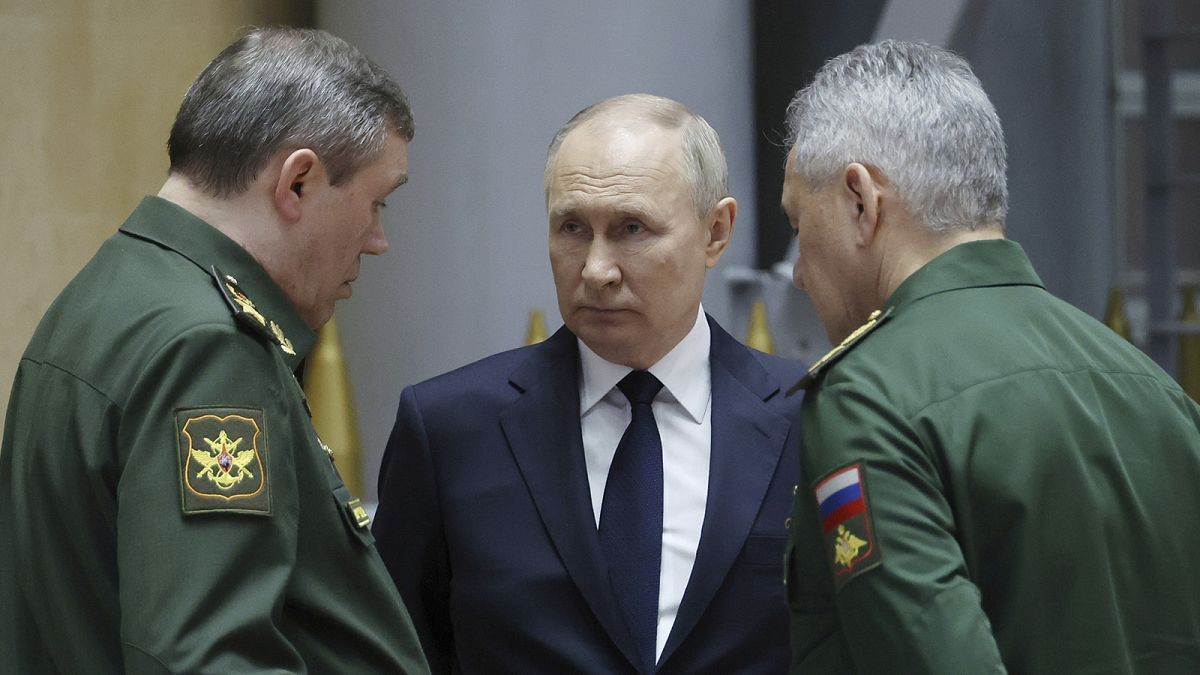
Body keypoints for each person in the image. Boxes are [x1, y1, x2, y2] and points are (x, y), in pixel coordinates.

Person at [0, 27, 429, 673]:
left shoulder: (111, 292)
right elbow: (207, 657)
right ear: (300, 182)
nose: (377, 239)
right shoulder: (209, 347)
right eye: (375, 203)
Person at [780, 40, 1200, 673]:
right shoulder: (1155, 391)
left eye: (797, 227)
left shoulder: (870, 396)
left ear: (861, 200)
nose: (798, 273)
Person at [373, 93, 804, 674]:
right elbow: (395, 653)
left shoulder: (810, 416)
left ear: (716, 232)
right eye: (573, 227)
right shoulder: (451, 429)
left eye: (632, 228)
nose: (597, 270)